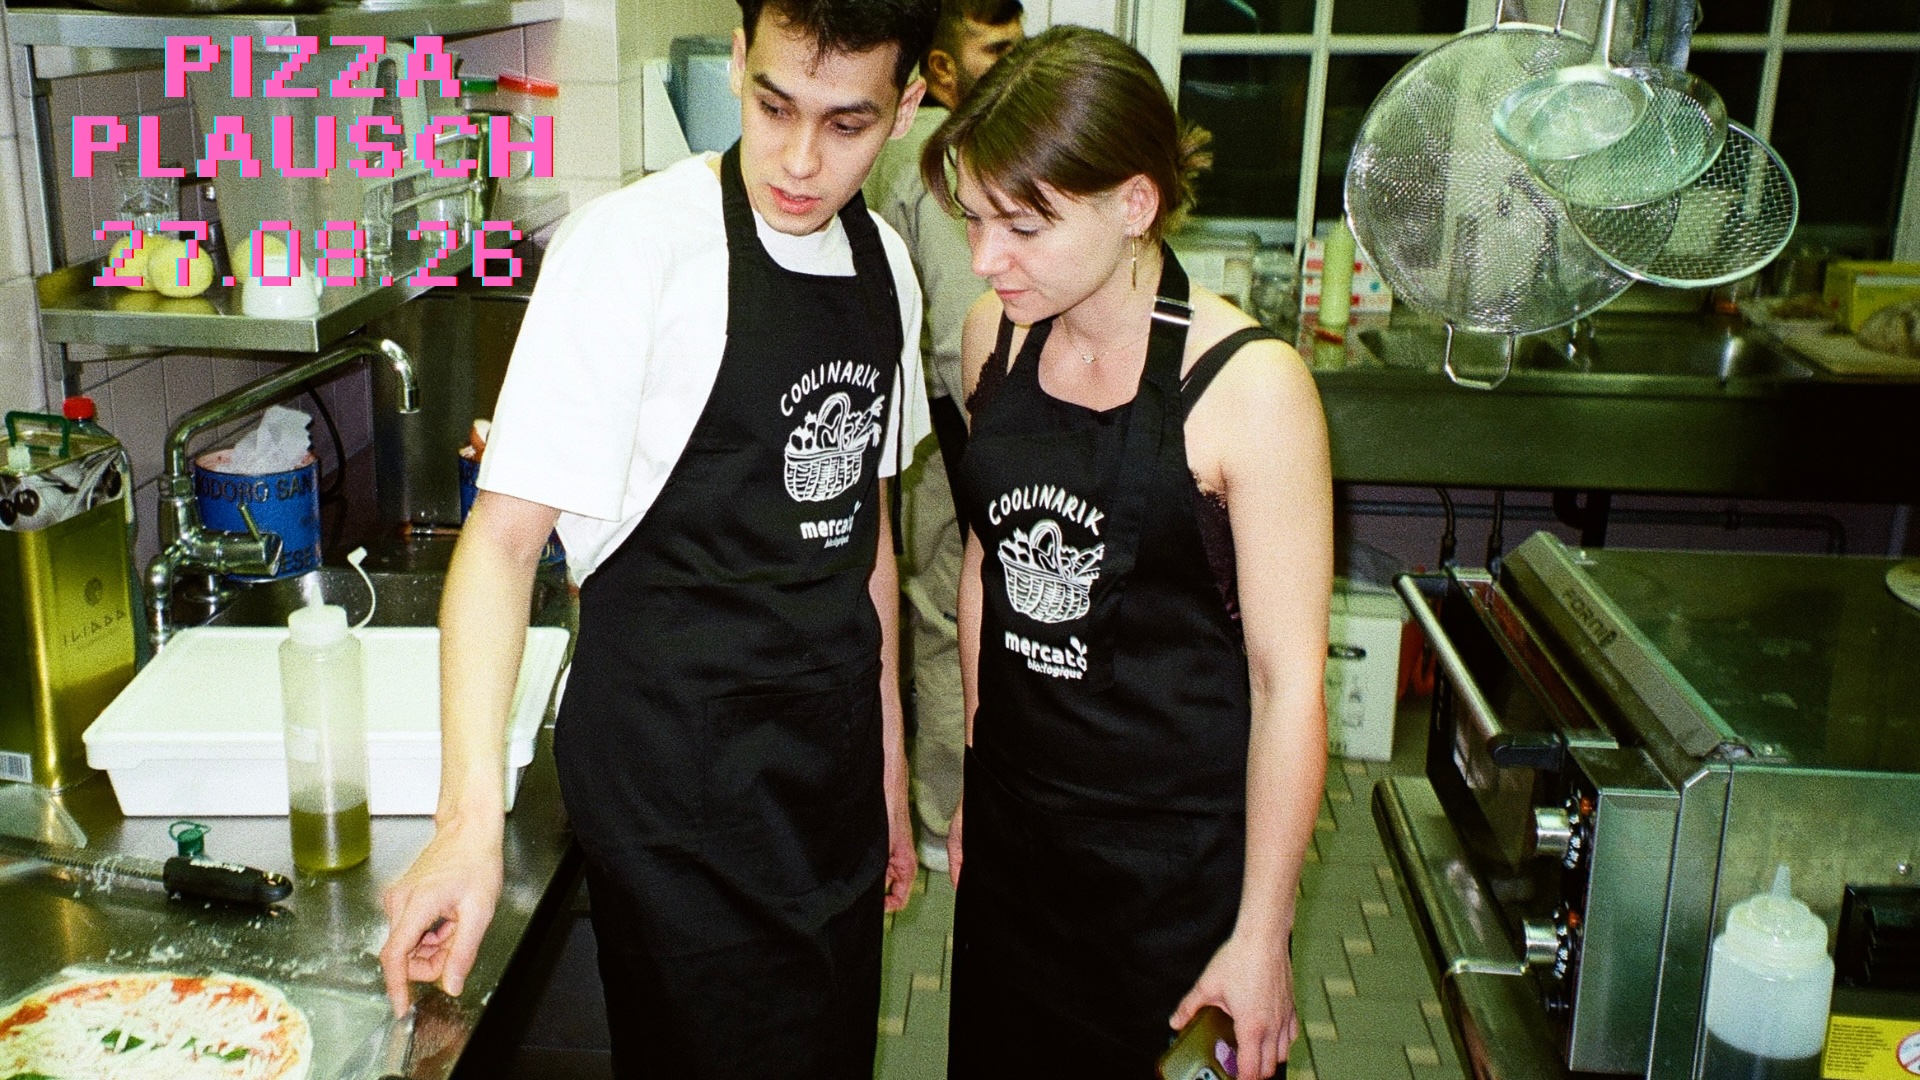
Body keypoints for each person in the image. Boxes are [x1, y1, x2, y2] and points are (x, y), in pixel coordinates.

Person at [376, 0, 938, 1074]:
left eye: (848, 124)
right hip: (679, 800)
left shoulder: (887, 270)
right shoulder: (634, 250)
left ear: (906, 106)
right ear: (736, 61)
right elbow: (501, 544)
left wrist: (888, 772)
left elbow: (863, 535)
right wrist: (466, 824)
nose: (801, 160)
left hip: (826, 793)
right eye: (774, 105)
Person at [924, 25, 1330, 1080]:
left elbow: (1288, 683)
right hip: (1019, 849)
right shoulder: (994, 336)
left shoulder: (1251, 389)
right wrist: (977, 785)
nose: (985, 259)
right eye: (974, 219)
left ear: (1135, 204)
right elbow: (987, 570)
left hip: (1175, 882)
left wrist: (1263, 935)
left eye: (1024, 226)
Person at [862, 0, 1024, 873]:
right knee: (944, 623)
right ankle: (943, 813)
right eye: (997, 50)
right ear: (943, 69)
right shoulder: (945, 157)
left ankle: (948, 808)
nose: (1016, 65)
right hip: (948, 436)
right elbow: (975, 352)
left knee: (953, 619)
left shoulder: (963, 151)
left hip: (953, 430)